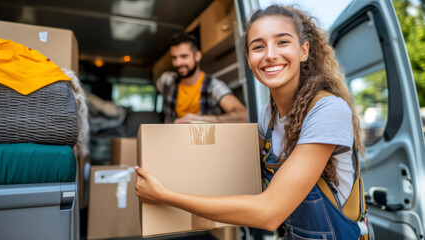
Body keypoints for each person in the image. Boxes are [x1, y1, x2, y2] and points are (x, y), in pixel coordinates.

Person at [136, 4, 371, 239]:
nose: (269, 54)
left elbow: (269, 213)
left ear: (304, 51)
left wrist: (165, 196)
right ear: (248, 59)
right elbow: (240, 169)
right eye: (258, 46)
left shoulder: (327, 110)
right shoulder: (268, 116)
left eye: (282, 42)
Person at [156, 32, 247, 123]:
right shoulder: (166, 80)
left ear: (197, 56)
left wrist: (198, 119)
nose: (178, 63)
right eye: (174, 58)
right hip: (171, 136)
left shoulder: (213, 86)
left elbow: (243, 115)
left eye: (184, 56)